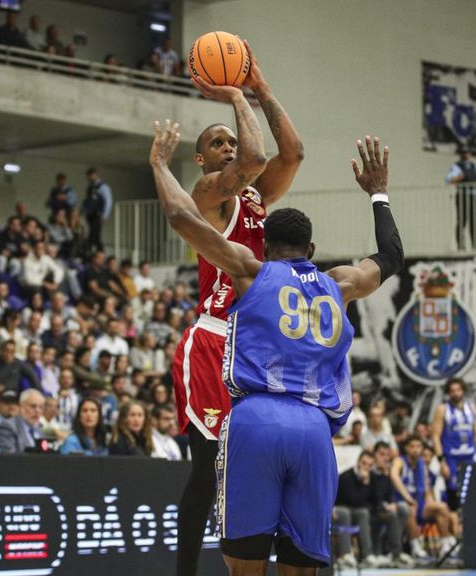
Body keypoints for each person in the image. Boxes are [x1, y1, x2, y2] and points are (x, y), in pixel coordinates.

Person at [151, 122, 403, 574]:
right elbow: (391, 256)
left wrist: (158, 165)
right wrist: (377, 194)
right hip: (313, 427)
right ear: (312, 247)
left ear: (264, 247)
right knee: (302, 564)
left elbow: (179, 216)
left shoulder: (250, 271)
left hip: (256, 418)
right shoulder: (338, 285)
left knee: (246, 564)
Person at [170, 41, 307, 576]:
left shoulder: (254, 200)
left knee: (257, 470)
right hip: (212, 342)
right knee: (206, 471)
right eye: (217, 142)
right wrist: (233, 93)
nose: (229, 146)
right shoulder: (207, 193)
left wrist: (262, 87)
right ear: (203, 159)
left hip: (255, 346)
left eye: (230, 139)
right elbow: (254, 159)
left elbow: (291, 153)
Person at [391, 436, 461, 561]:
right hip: (402, 504)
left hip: (420, 504)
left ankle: (445, 547)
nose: (416, 450)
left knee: (442, 508)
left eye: (418, 447)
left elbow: (427, 489)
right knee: (410, 508)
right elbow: (394, 477)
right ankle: (416, 547)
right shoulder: (399, 461)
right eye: (412, 446)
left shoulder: (422, 464)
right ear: (406, 448)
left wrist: (431, 504)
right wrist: (408, 498)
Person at [431, 376, 476, 510]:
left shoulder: (471, 408)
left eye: (458, 390)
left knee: (471, 491)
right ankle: (456, 525)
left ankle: (468, 523)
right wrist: (442, 461)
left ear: (463, 391)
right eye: (452, 390)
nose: (456, 393)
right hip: (451, 457)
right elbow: (435, 436)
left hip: (469, 456)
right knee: (453, 492)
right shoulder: (442, 409)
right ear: (448, 392)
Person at [445, 146, 476, 251]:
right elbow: (449, 179)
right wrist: (459, 178)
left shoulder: (475, 167)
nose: (466, 155)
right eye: (464, 153)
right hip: (462, 196)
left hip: (474, 197)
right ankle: (461, 246)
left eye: (467, 152)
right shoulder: (456, 166)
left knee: (474, 223)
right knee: (461, 222)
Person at [0, 388, 45, 454]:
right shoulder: (7, 427)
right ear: (21, 406)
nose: (37, 411)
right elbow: (10, 458)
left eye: (40, 407)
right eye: (33, 406)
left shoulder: (38, 428)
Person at [82, 167, 112, 253]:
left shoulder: (103, 187)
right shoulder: (90, 187)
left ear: (96, 175)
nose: (90, 178)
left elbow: (108, 201)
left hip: (98, 215)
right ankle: (98, 253)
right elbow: (86, 200)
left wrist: (105, 215)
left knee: (94, 235)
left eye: (91, 176)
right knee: (94, 236)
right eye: (88, 177)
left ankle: (99, 253)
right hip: (90, 214)